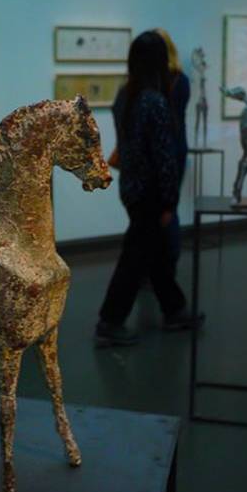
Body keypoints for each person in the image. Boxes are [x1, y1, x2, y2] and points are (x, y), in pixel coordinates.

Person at [95, 31, 200, 346]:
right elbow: (163, 156)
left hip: (131, 187)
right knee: (136, 255)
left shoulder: (124, 96)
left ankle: (175, 309)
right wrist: (169, 201)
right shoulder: (154, 101)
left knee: (154, 251)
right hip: (151, 191)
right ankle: (110, 321)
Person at [155, 29, 190, 267]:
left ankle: (161, 265)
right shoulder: (182, 80)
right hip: (177, 147)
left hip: (164, 149)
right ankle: (167, 264)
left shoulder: (155, 82)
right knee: (170, 207)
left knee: (161, 209)